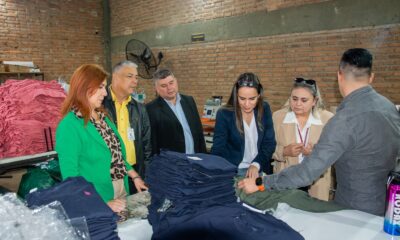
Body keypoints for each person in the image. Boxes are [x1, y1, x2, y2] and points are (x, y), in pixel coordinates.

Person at [238, 48, 400, 216]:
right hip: (390, 205)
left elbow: (308, 172)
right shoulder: (389, 107)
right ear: (371, 77)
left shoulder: (343, 119)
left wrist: (260, 182)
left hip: (354, 210)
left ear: (339, 75)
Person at [56, 64, 148, 214]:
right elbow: (71, 177)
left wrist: (135, 176)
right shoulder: (69, 126)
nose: (105, 93)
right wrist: (101, 203)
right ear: (84, 87)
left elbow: (116, 155)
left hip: (121, 189)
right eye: (100, 87)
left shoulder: (103, 117)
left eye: (104, 87)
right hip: (98, 198)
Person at [272, 78, 334, 201]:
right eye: (294, 99)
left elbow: (333, 152)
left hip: (316, 181)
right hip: (286, 178)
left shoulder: (328, 119)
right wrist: (284, 151)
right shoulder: (278, 117)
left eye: (304, 100)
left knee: (313, 217)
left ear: (314, 101)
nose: (298, 104)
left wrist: (314, 153)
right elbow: (267, 147)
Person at [211, 72, 276, 177]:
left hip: (259, 168)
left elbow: (269, 143)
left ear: (259, 96)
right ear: (236, 95)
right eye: (242, 99)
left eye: (252, 99)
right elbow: (218, 148)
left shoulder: (264, 109)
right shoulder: (224, 114)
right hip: (233, 171)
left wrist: (256, 164)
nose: (247, 104)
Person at [103, 60, 151, 194]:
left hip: (135, 174)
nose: (135, 81)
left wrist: (144, 174)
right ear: (115, 76)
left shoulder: (140, 109)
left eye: (136, 77)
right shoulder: (100, 105)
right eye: (130, 76)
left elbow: (147, 146)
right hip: (109, 174)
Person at [146, 69, 206, 155]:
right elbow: (153, 142)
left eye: (171, 83)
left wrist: (203, 157)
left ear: (176, 81)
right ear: (156, 89)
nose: (169, 88)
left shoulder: (189, 101)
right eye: (164, 85)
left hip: (195, 159)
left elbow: (199, 131)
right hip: (171, 163)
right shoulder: (151, 109)